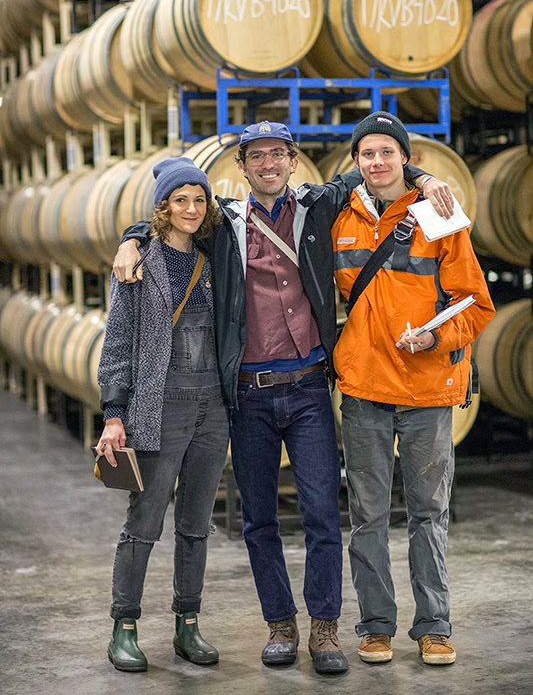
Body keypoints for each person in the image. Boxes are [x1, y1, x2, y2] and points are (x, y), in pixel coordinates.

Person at [113, 121, 452, 674]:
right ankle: (279, 625)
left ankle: (324, 629)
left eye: (278, 154)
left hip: (309, 389)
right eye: (256, 156)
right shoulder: (224, 222)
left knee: (322, 513)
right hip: (247, 395)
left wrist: (425, 173)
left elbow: (377, 167)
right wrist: (131, 236)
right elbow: (173, 212)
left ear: (294, 161)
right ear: (241, 167)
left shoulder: (321, 206)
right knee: (259, 520)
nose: (268, 164)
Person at [331, 112, 495, 666]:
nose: (377, 162)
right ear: (355, 162)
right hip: (364, 388)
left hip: (426, 388)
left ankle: (434, 626)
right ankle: (376, 626)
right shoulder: (340, 216)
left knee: (428, 514)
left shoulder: (440, 215)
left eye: (387, 152)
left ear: (406, 158)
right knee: (367, 515)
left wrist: (437, 337)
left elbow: (477, 303)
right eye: (367, 154)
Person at [96, 156, 229, 673]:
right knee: (144, 521)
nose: (192, 209)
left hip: (211, 407)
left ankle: (187, 625)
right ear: (164, 208)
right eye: (181, 201)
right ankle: (123, 627)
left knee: (196, 524)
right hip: (159, 406)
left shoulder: (214, 256)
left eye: (199, 200)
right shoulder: (138, 262)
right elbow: (118, 342)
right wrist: (114, 412)